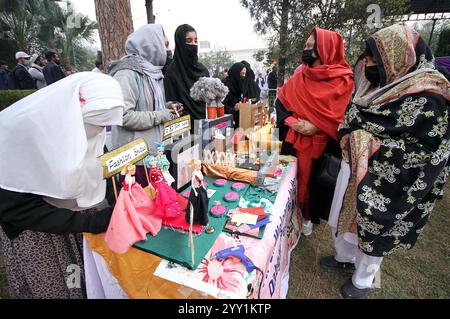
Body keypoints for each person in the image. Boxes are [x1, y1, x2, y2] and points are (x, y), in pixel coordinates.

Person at [323, 24, 450, 299]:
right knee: (345, 218)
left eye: (374, 60)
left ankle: (364, 282)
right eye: (367, 58)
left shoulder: (430, 97)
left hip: (388, 181)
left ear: (396, 59)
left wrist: (370, 145)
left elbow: (428, 151)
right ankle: (344, 257)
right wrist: (350, 136)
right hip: (354, 167)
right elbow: (351, 116)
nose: (367, 64)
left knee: (374, 231)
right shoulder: (371, 85)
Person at [0, 72, 125, 299]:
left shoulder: (89, 127)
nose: (100, 132)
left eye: (105, 126)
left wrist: (117, 195)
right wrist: (87, 222)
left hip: (75, 223)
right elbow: (14, 208)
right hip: (39, 236)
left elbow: (100, 164)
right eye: (96, 123)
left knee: (80, 279)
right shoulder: (21, 133)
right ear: (74, 113)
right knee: (57, 288)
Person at [275, 27, 354, 236]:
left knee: (312, 186)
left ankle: (308, 218)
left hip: (323, 146)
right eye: (305, 46)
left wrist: (317, 126)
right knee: (289, 180)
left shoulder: (343, 81)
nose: (306, 50)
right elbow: (281, 102)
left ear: (326, 49)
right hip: (294, 140)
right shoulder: (300, 76)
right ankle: (290, 214)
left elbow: (343, 115)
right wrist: (293, 122)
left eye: (311, 47)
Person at [109, 24, 182, 187]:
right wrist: (161, 115)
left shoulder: (154, 73)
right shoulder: (127, 73)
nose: (168, 49)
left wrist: (168, 106)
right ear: (152, 44)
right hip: (135, 162)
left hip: (153, 154)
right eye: (165, 44)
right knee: (141, 208)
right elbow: (123, 116)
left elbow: (148, 106)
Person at [164, 24, 210, 121]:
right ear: (180, 43)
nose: (193, 44)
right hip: (183, 130)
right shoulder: (171, 72)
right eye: (189, 41)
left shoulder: (203, 71)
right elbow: (171, 105)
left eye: (195, 41)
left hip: (205, 126)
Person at [222, 62, 248, 128]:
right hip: (225, 123)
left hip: (238, 121)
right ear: (236, 72)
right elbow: (222, 105)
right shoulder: (225, 85)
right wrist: (234, 109)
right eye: (242, 73)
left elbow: (237, 98)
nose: (244, 76)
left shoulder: (238, 85)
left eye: (245, 74)